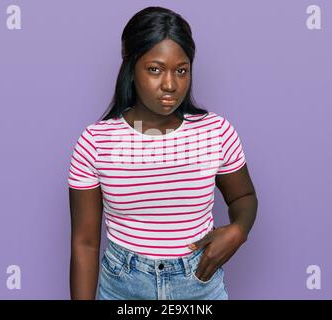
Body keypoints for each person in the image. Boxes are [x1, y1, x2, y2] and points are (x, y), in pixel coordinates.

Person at [68, 6, 258, 300]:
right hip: (123, 287)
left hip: (198, 284)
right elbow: (85, 243)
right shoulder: (96, 141)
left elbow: (243, 198)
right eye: (155, 69)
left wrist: (239, 230)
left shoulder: (216, 131)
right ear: (131, 68)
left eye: (181, 70)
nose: (170, 85)